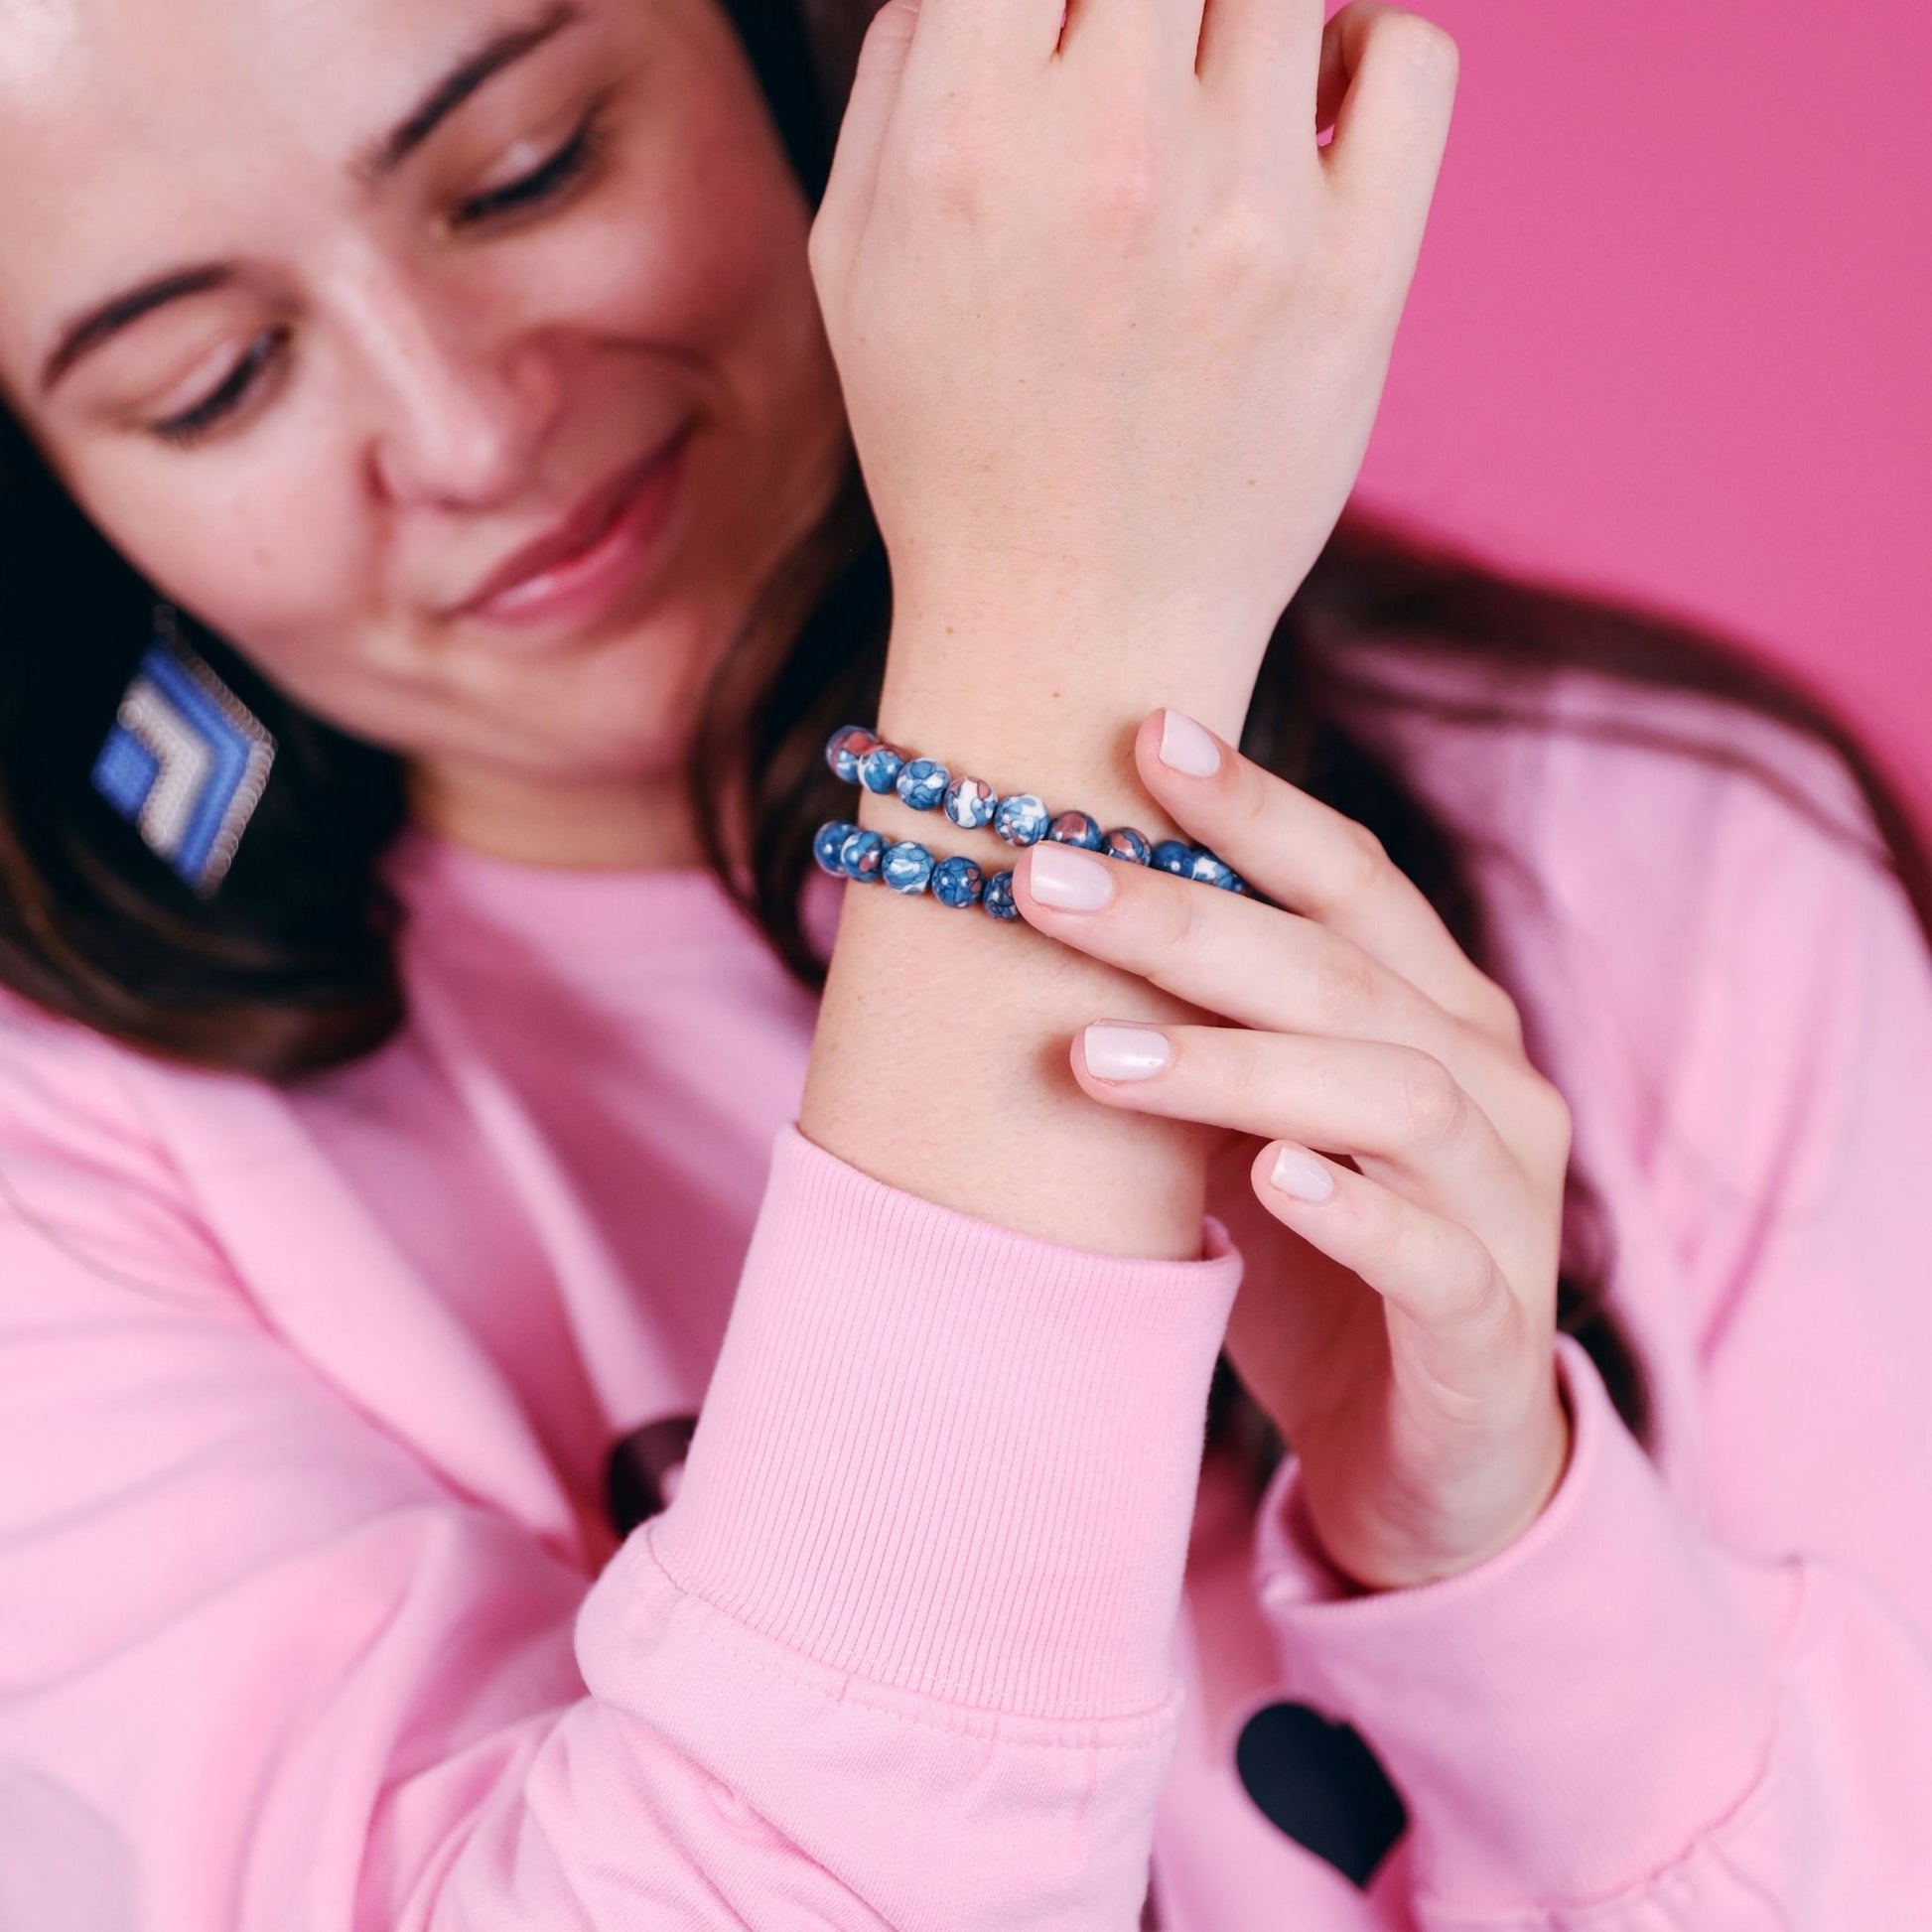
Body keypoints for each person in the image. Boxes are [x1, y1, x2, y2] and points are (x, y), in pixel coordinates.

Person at [0, 0, 1926, 1923]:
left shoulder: (1649, 849)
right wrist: (1043, 661)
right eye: (211, 382)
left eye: (531, 172)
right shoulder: (70, 1179)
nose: (469, 427)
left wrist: (1498, 1564)